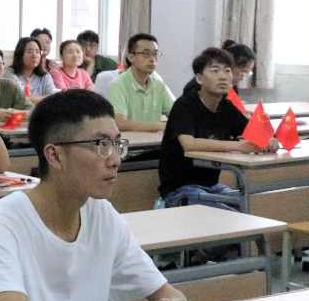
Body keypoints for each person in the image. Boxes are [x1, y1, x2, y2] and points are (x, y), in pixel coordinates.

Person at [0, 89, 195, 301]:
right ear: (55, 156)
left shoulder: (102, 214)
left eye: (116, 145)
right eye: (101, 145)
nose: (115, 160)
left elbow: (165, 292)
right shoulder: (3, 222)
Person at [158, 47, 273, 210]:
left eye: (227, 70)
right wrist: (239, 146)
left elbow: (254, 132)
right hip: (180, 189)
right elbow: (189, 144)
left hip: (212, 186)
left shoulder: (227, 107)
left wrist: (270, 139)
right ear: (199, 79)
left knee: (248, 208)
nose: (223, 76)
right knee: (232, 215)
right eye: (215, 71)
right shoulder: (184, 105)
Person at [105, 33, 174, 132]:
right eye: (146, 54)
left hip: (154, 140)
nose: (152, 59)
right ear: (131, 57)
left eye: (155, 54)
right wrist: (161, 126)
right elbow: (120, 123)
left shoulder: (159, 85)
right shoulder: (117, 85)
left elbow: (178, 115)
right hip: (129, 141)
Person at [182, 40, 256, 101]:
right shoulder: (197, 88)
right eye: (242, 73)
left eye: (247, 73)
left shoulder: (232, 87)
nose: (242, 78)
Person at [3, 36, 57, 103]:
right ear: (20, 55)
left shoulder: (45, 76)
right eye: (29, 52)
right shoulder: (10, 74)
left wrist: (29, 100)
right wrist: (45, 99)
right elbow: (18, 101)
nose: (34, 55)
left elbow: (54, 98)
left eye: (37, 51)